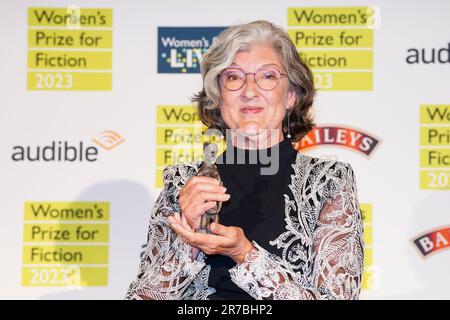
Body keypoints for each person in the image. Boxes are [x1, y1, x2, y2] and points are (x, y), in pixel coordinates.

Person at [125, 20, 364, 300]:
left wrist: (243, 254)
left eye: (267, 76)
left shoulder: (327, 181)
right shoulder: (184, 183)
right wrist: (187, 237)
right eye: (234, 77)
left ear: (291, 95)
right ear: (218, 96)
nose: (250, 91)